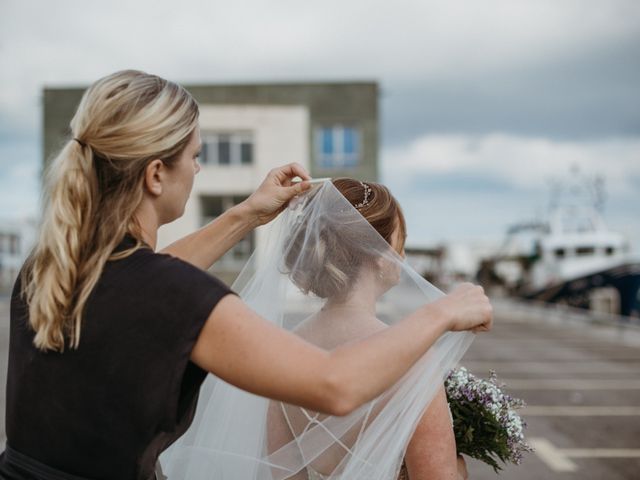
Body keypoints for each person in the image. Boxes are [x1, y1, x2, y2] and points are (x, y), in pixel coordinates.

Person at [0, 70, 492, 480]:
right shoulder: (172, 295)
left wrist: (248, 213)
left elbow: (148, 280)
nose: (198, 170)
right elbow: (334, 384)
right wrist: (443, 311)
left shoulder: (50, 268)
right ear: (155, 175)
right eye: (195, 156)